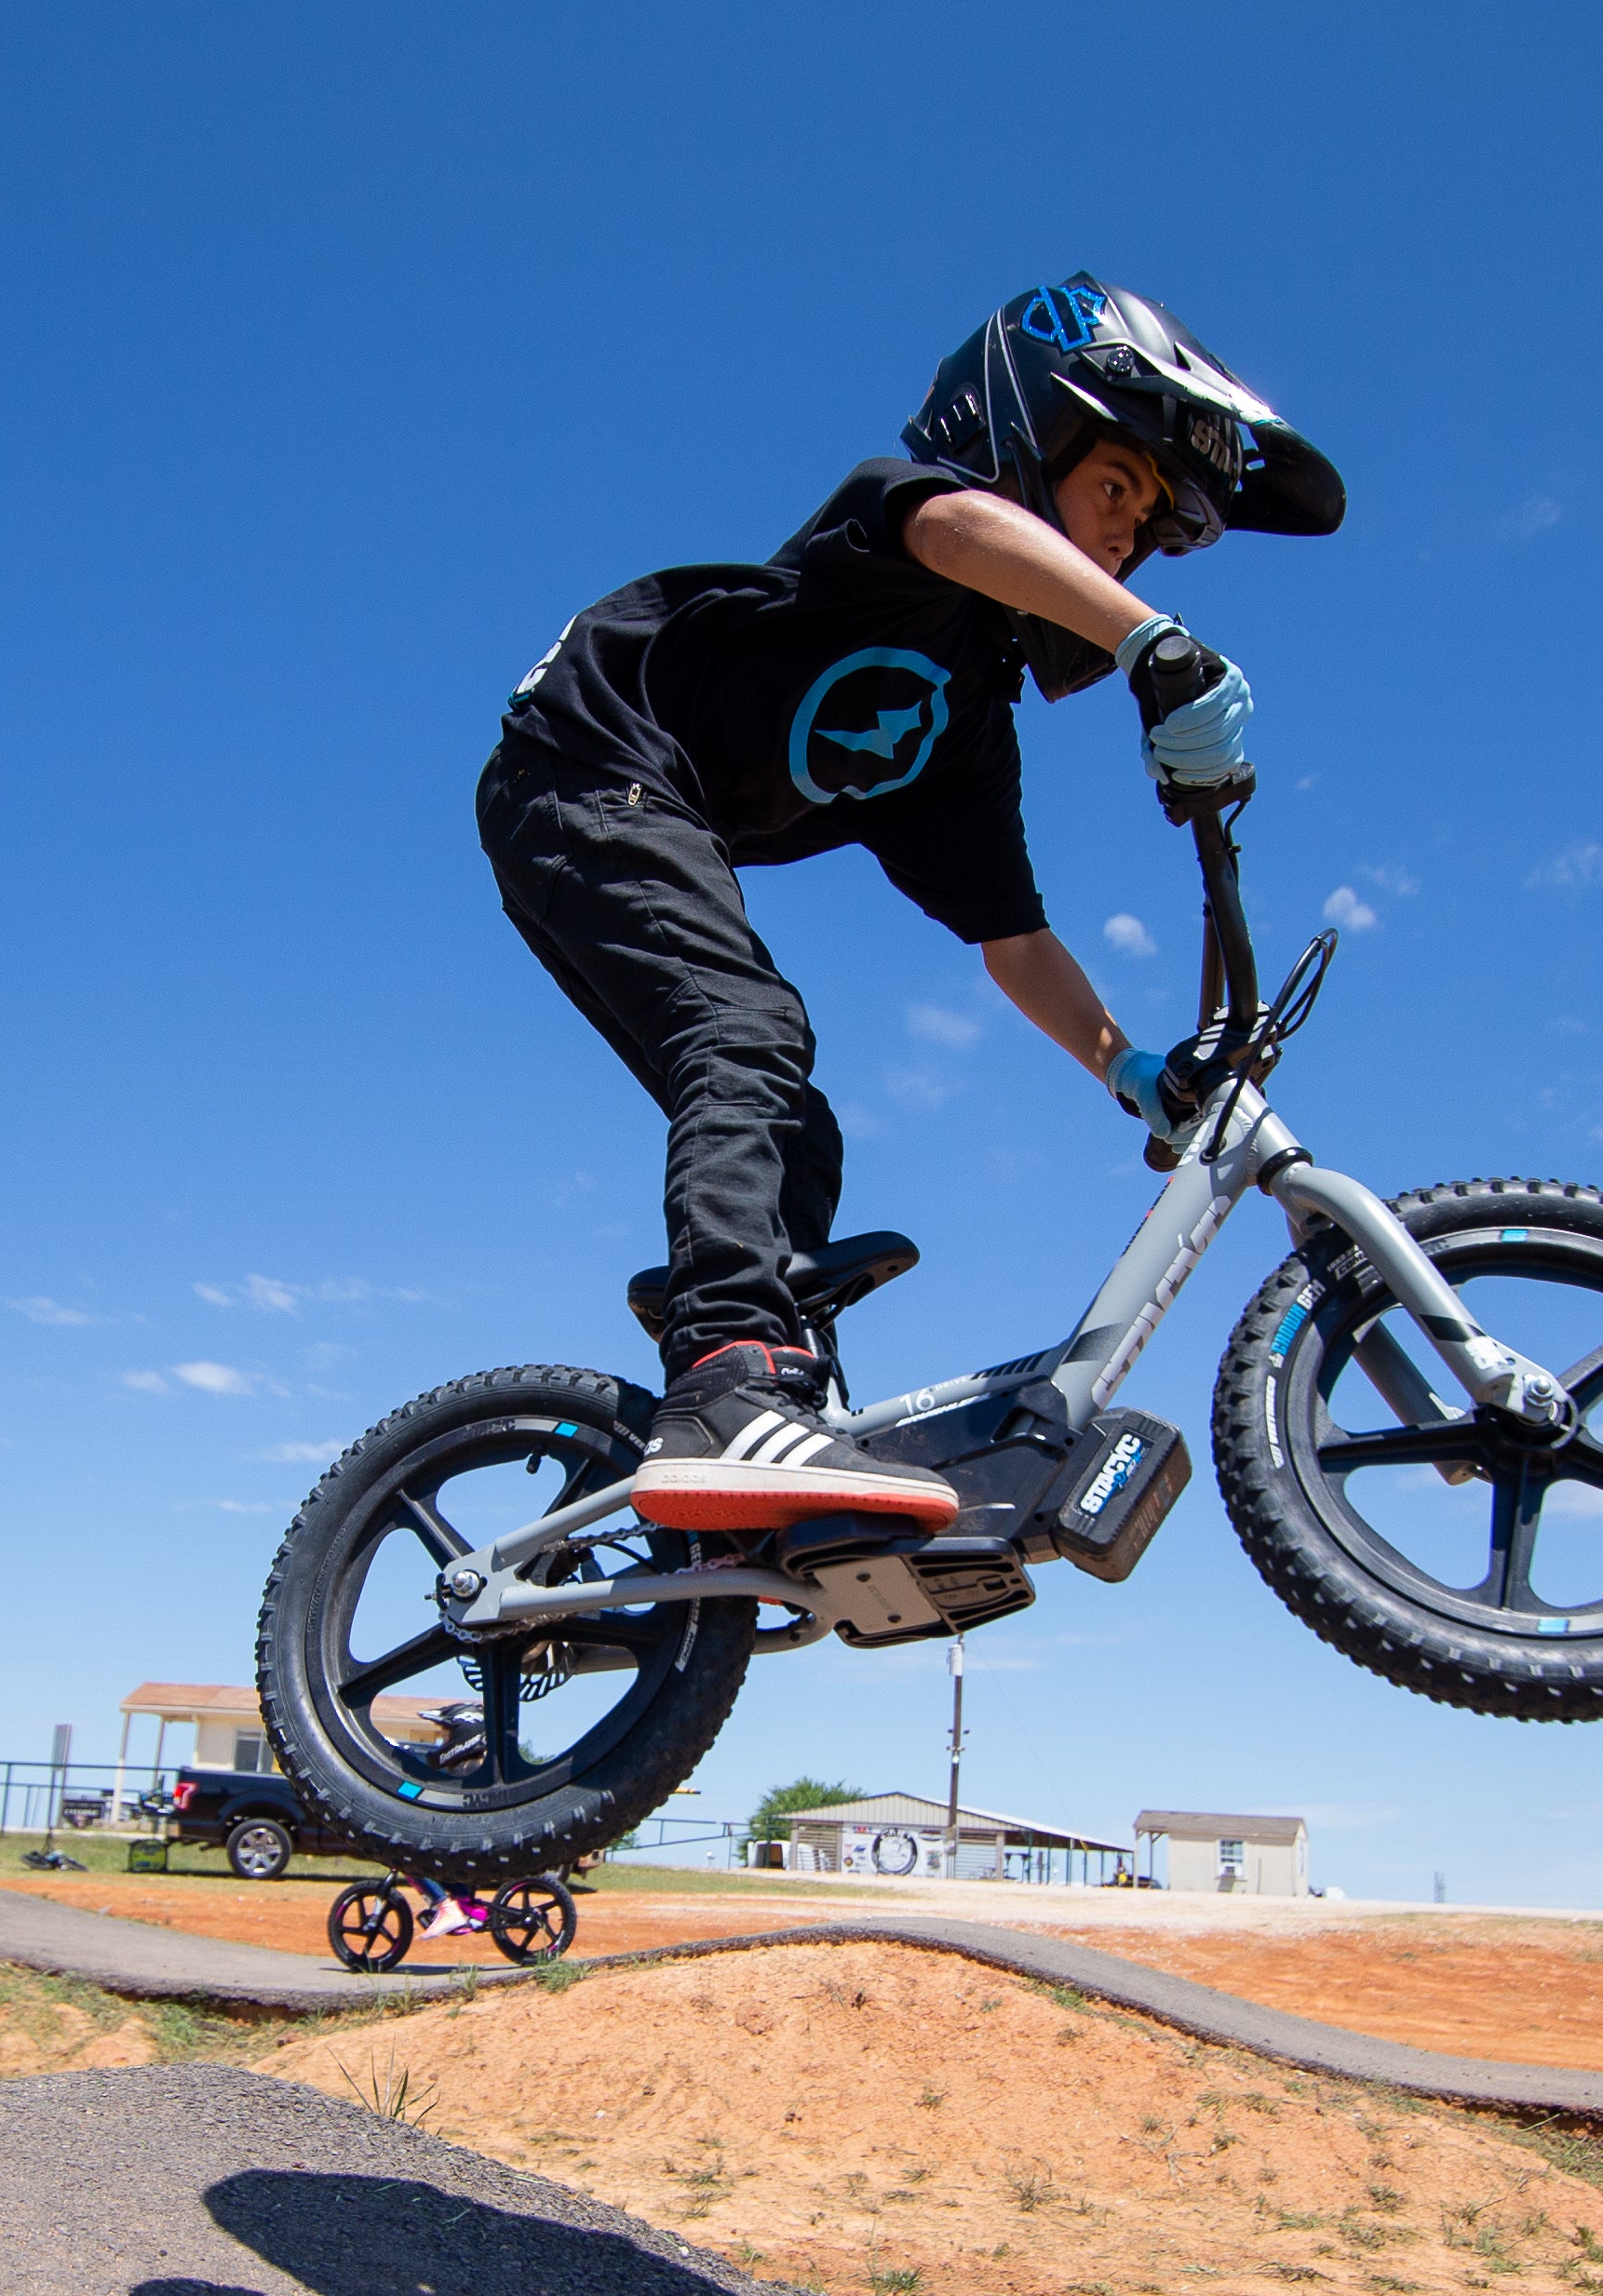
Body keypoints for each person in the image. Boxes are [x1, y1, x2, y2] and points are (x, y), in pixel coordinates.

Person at [481, 275, 1343, 1534]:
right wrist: (1149, 644)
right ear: (1021, 437)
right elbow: (953, 531)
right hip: (581, 768)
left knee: (798, 1130)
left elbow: (1017, 944)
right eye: (1116, 489)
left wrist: (1131, 1071)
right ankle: (725, 1375)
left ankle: (768, 1408)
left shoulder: (963, 738)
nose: (1125, 540)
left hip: (605, 825)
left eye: (1149, 528)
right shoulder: (900, 529)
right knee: (747, 1034)